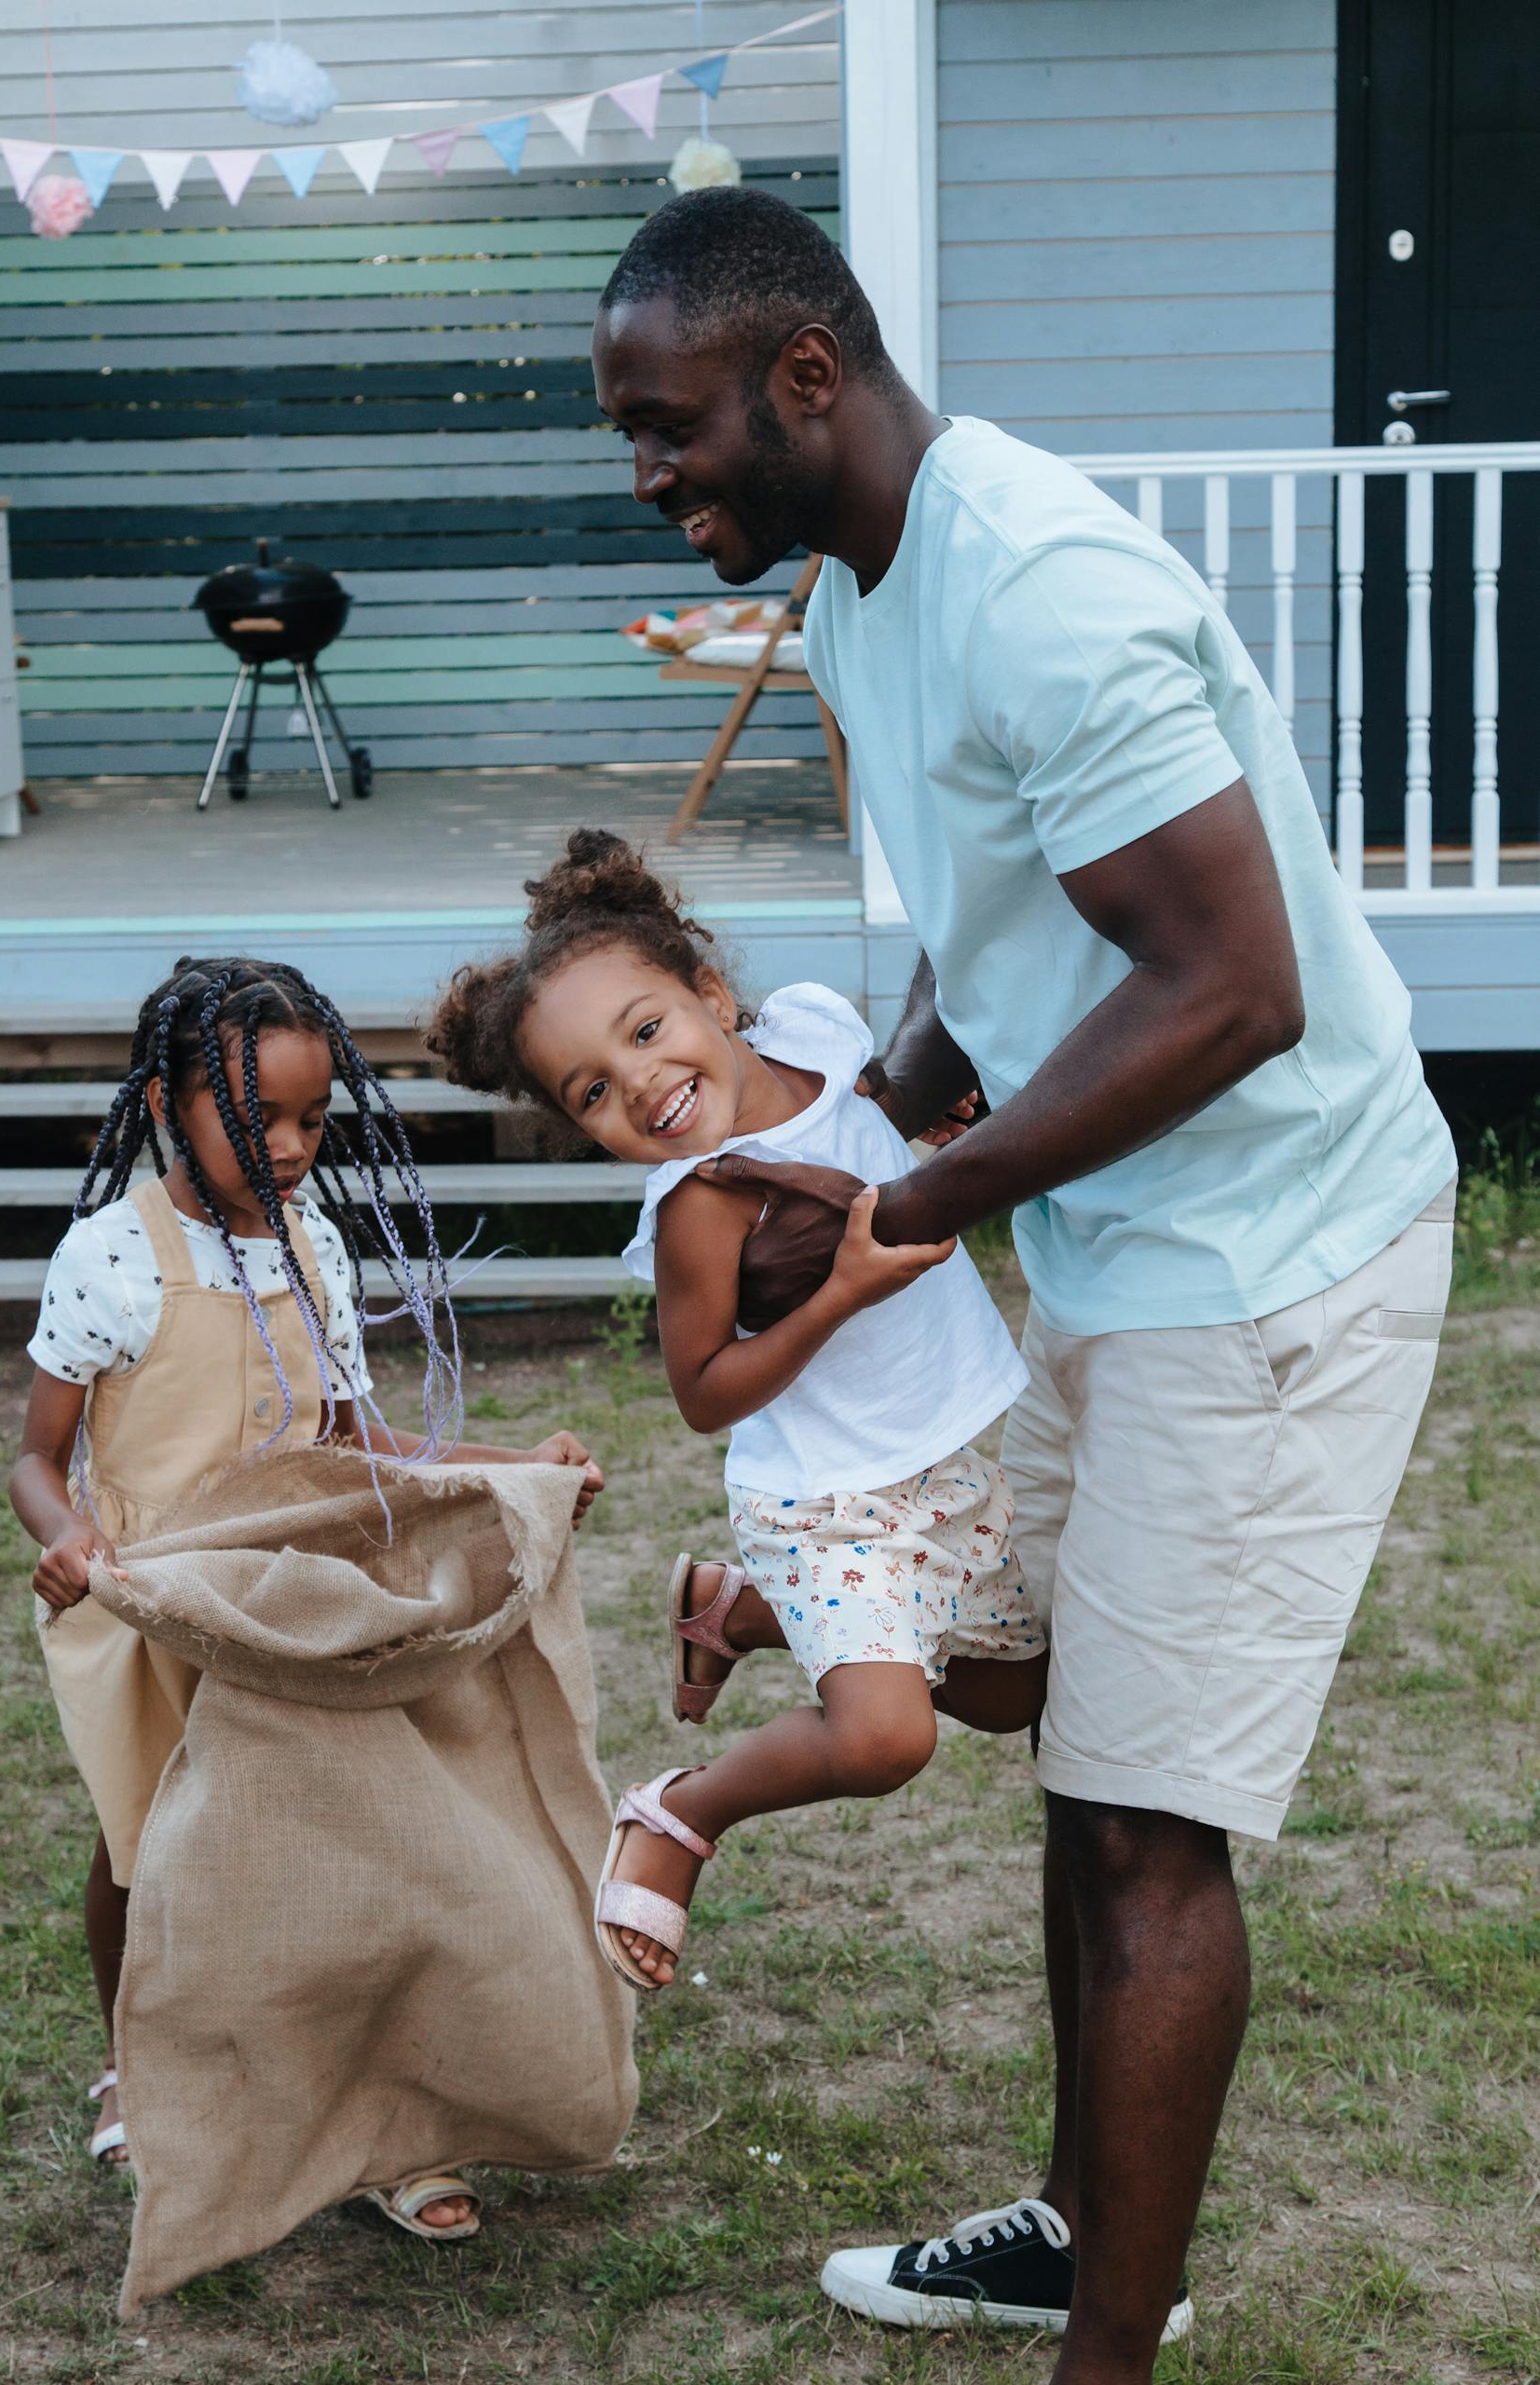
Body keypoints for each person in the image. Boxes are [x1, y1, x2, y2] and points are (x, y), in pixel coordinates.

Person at [590, 186, 1458, 2375]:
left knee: (1151, 1826)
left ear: (803, 380)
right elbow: (992, 928)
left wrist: (910, 1206)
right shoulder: (862, 592)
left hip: (1260, 1249)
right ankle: (1078, 2230)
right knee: (1044, 1728)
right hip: (1105, 1226)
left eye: (664, 424)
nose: (646, 476)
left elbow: (1226, 988)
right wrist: (861, 1122)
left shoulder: (1038, 588)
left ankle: (1104, 2346)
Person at [8, 955, 602, 2233]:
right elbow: (31, 1457)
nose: (290, 1146)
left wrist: (514, 1471)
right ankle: (138, 2064)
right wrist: (70, 1546)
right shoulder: (110, 1258)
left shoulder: (312, 1243)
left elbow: (356, 1440)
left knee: (345, 1848)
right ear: (171, 1108)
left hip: (294, 1594)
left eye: (311, 1119)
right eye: (256, 1118)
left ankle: (380, 2123)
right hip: (154, 1601)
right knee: (150, 1849)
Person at [428, 830, 1047, 1992]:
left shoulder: (815, 1030)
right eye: (594, 1092)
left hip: (939, 1459)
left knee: (1018, 1695)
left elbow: (867, 1104)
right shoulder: (702, 1204)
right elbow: (703, 1392)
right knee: (884, 1737)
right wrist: (840, 1294)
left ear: (714, 997)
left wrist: (918, 1130)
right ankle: (676, 1813)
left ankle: (739, 1613)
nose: (643, 1085)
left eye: (648, 1029)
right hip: (820, 1495)